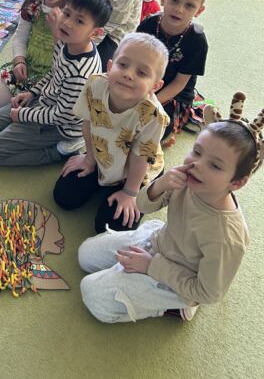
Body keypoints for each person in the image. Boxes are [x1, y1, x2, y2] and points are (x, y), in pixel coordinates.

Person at [78, 92, 262, 324]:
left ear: (237, 183)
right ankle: (136, 275)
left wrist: (151, 266)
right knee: (85, 254)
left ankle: (176, 307)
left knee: (92, 294)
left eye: (215, 165)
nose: (196, 164)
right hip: (160, 241)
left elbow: (209, 293)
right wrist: (160, 185)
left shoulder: (226, 237)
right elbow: (142, 205)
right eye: (197, 151)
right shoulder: (189, 179)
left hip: (179, 280)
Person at [53, 32, 169, 234]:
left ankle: (132, 189)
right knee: (64, 197)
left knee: (109, 228)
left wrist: (130, 193)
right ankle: (102, 177)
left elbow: (141, 157)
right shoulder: (95, 84)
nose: (128, 74)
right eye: (122, 65)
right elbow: (88, 123)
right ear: (110, 66)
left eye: (142, 73)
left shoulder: (153, 115)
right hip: (102, 156)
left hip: (135, 172)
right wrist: (89, 159)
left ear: (155, 86)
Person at [0, 0, 110, 166]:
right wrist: (32, 93)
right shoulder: (67, 42)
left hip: (60, 126)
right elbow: (53, 72)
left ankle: (59, 151)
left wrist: (24, 115)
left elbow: (61, 116)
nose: (67, 23)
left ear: (95, 33)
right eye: (67, 13)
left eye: (79, 21)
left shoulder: (80, 73)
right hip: (46, 103)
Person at [0, 0, 79, 109]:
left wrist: (56, 30)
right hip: (30, 66)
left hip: (56, 74)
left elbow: (71, 55)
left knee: (42, 109)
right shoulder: (33, 3)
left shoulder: (74, 14)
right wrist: (19, 61)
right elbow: (20, 36)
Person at [138, 0, 208, 146]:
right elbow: (135, 59)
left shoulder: (197, 41)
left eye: (189, 5)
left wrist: (150, 101)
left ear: (199, 11)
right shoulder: (148, 24)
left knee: (157, 127)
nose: (179, 9)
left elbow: (179, 84)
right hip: (147, 80)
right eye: (174, 0)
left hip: (174, 93)